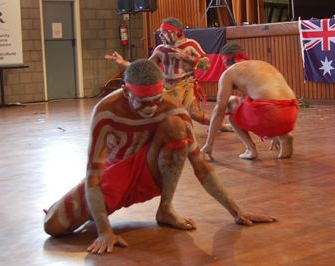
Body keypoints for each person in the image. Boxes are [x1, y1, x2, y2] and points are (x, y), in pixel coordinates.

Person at [43, 59, 276, 255]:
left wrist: (236, 211)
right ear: (125, 91)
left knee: (176, 127)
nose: (152, 108)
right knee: (52, 226)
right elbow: (93, 174)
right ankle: (72, 205)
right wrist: (104, 230)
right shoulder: (107, 111)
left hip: (149, 170)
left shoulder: (172, 109)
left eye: (156, 99)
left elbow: (200, 166)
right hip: (113, 174)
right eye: (143, 102)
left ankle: (165, 209)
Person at [105, 17, 232, 132]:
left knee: (196, 114)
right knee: (164, 114)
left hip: (186, 87)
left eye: (164, 32)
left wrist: (187, 58)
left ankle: (221, 126)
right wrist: (123, 62)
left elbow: (207, 64)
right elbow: (145, 66)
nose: (160, 35)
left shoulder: (190, 45)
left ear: (175, 32)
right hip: (166, 88)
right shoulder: (160, 49)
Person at [201, 42, 298, 160]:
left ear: (225, 62)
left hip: (271, 112)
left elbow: (219, 110)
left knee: (230, 103)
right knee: (249, 100)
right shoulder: (261, 64)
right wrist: (274, 133)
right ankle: (283, 135)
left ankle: (251, 149)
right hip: (291, 111)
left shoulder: (229, 72)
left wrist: (209, 144)